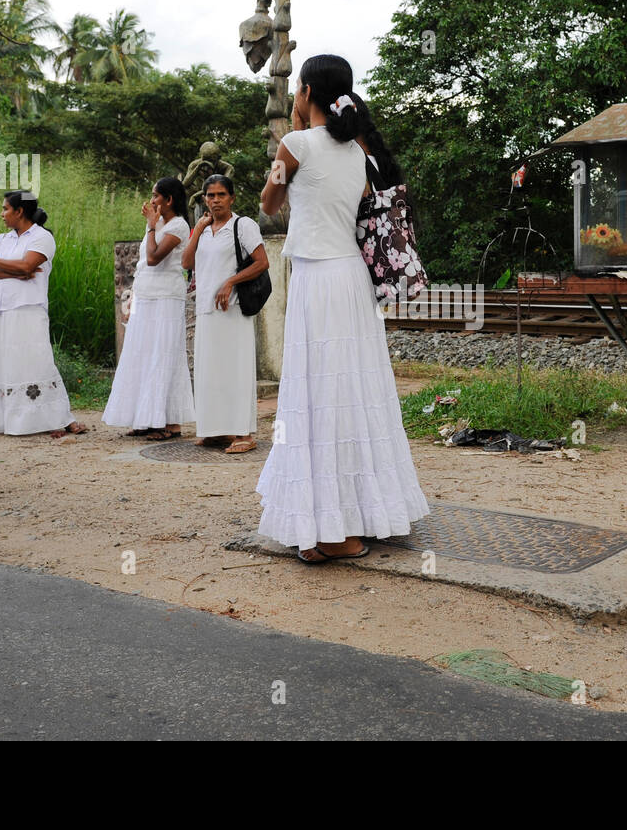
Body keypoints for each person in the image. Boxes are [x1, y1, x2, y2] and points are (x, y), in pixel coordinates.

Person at [255, 54, 430, 563]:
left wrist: (282, 159)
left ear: (305, 91)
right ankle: (361, 514)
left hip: (317, 279)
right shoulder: (361, 152)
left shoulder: (294, 145)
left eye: (296, 92)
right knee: (355, 390)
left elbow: (269, 203)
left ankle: (334, 533)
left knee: (318, 396)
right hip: (352, 281)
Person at [0, 193, 87, 438]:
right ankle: (4, 418)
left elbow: (26, 265)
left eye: (5, 209)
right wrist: (17, 271)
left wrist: (2, 264)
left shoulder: (42, 238)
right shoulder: (2, 239)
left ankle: (54, 417)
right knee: (0, 361)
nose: (2, 214)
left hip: (27, 307)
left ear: (20, 211)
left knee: (35, 359)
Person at [103, 177, 195, 440]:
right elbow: (143, 263)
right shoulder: (157, 225)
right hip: (146, 295)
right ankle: (145, 417)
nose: (151, 200)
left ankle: (171, 423)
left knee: (164, 353)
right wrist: (134, 297)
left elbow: (155, 258)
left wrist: (152, 227)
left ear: (169, 200)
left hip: (166, 296)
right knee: (142, 352)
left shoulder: (178, 226)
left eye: (156, 196)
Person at [182, 174, 268, 453]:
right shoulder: (204, 228)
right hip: (206, 310)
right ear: (204, 199)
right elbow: (186, 261)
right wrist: (198, 228)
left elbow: (262, 262)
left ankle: (243, 434)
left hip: (232, 309)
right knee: (209, 372)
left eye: (220, 195)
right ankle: (214, 431)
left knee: (236, 371)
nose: (215, 200)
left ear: (231, 197)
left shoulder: (243, 226)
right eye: (210, 195)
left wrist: (230, 281)